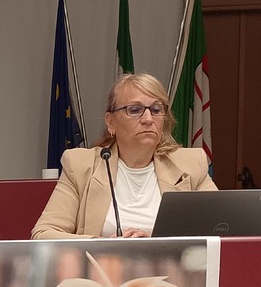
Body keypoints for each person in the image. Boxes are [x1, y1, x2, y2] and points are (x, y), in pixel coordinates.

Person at [32, 73, 217, 239]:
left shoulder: (191, 164)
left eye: (156, 110)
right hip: (102, 265)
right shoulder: (81, 166)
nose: (148, 119)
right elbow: (44, 234)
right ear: (110, 122)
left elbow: (221, 228)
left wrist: (155, 241)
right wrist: (103, 245)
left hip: (173, 266)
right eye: (135, 110)